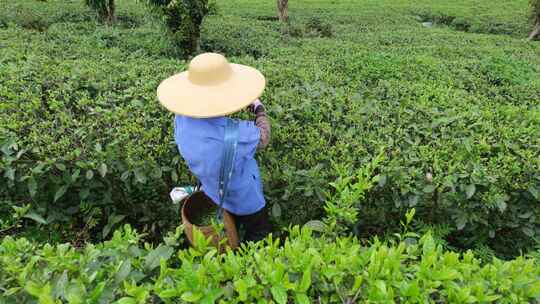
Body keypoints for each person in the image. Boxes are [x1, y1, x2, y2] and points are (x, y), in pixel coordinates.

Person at [157, 52, 272, 242]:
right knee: (258, 234)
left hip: (213, 190)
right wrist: (259, 109)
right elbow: (263, 137)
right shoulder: (235, 134)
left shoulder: (182, 119)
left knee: (230, 226)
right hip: (245, 197)